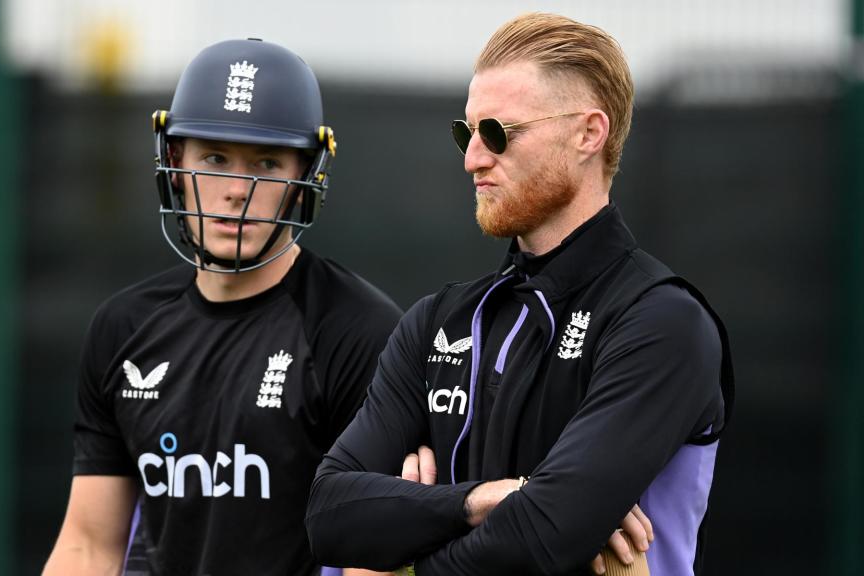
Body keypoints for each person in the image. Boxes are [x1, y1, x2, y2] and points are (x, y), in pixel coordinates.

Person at [306, 12, 734, 576]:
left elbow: (543, 538)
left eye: (498, 133)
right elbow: (328, 516)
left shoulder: (662, 321)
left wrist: (401, 552)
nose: (472, 158)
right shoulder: (437, 321)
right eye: (466, 132)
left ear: (589, 133)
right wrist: (473, 502)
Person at [42, 38, 405, 576]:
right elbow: (89, 545)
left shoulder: (359, 330)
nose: (237, 189)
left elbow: (372, 561)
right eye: (214, 158)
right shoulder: (122, 328)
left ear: (307, 175)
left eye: (266, 161)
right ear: (174, 162)